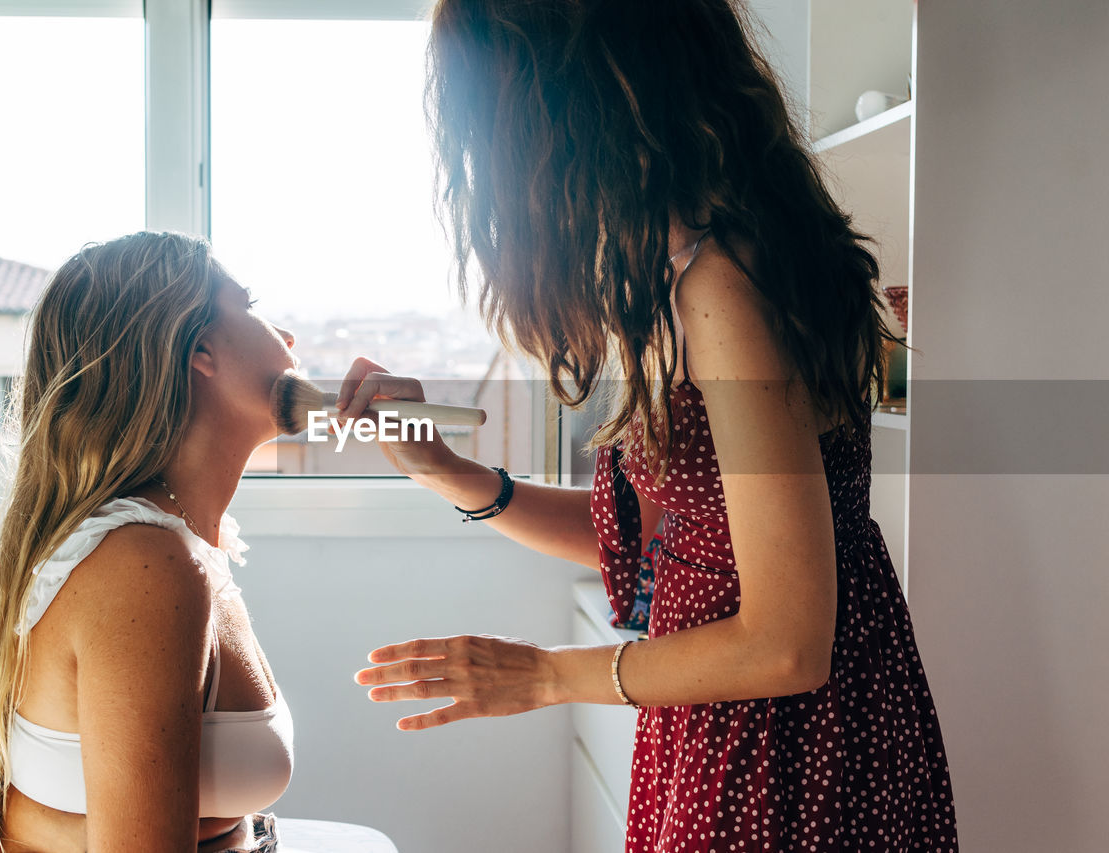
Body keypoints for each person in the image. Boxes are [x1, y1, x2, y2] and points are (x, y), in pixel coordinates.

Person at [349, 1, 958, 850]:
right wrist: (456, 477)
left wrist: (543, 675)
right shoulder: (710, 262)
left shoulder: (719, 284)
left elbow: (787, 642)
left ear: (569, 104)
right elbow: (696, 550)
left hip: (782, 760)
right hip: (755, 733)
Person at [0, 232, 296, 853]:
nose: (287, 338)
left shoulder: (186, 537)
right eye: (253, 305)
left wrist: (400, 430)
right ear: (201, 349)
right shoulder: (145, 565)